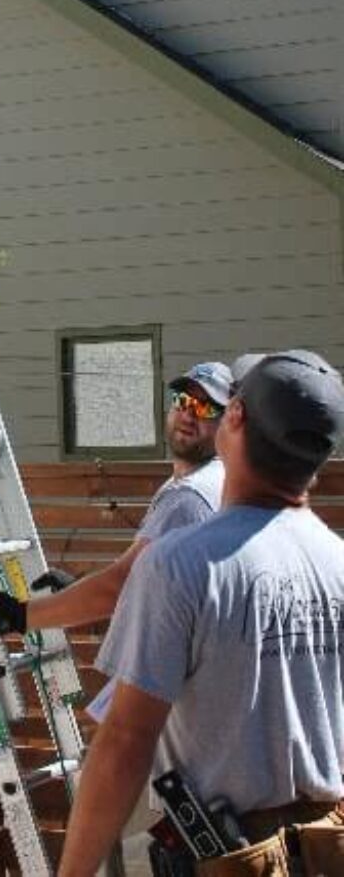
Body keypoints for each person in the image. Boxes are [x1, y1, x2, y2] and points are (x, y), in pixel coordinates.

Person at [58, 350, 344, 877]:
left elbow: (125, 742)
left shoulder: (180, 565)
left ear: (233, 419)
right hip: (327, 851)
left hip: (232, 860)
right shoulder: (337, 562)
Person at [0, 360, 233, 667]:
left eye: (206, 408)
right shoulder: (205, 480)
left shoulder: (190, 497)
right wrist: (77, 590)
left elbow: (120, 587)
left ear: (229, 422)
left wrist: (18, 616)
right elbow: (148, 582)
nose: (189, 414)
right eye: (183, 401)